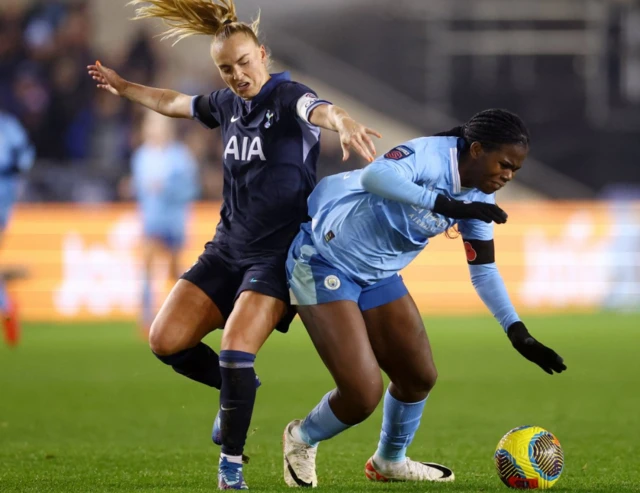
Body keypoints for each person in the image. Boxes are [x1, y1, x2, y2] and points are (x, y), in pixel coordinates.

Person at [87, 0, 381, 489]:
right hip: (225, 250)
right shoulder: (225, 105)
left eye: (244, 62)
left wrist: (344, 120)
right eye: (226, 69)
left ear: (262, 54)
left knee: (235, 348)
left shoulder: (289, 96)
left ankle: (231, 468)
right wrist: (123, 87)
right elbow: (171, 101)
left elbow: (319, 110)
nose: (237, 75)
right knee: (165, 340)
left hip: (276, 257)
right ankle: (237, 393)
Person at [282, 109, 567, 487]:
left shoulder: (479, 197)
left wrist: (517, 331)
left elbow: (483, 270)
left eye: (515, 170)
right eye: (504, 164)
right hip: (324, 261)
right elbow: (374, 175)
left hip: (379, 275)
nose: (507, 176)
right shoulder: (431, 155)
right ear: (477, 149)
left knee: (418, 377)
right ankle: (300, 439)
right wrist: (449, 206)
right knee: (361, 395)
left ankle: (389, 462)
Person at [130, 111, 199, 332]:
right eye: (151, 125)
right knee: (147, 268)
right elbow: (142, 191)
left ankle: (185, 311)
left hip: (173, 221)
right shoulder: (141, 156)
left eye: (158, 126)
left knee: (174, 271)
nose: (154, 130)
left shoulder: (180, 156)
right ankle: (147, 317)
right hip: (151, 220)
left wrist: (167, 188)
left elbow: (191, 189)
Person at [0, 109, 35, 347]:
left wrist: (16, 178)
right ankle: (7, 307)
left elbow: (26, 156)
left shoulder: (8, 126)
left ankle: (7, 309)